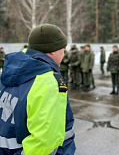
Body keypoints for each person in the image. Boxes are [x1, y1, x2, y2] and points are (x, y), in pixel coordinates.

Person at [0, 24, 75, 154]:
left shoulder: (12, 71)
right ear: (52, 50)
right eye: (63, 48)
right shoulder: (48, 82)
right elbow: (43, 143)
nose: (64, 53)